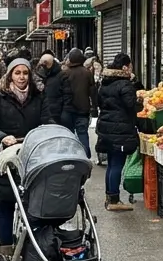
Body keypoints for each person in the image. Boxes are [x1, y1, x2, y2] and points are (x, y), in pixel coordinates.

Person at [0, 58, 52, 258]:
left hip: (33, 157)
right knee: (6, 204)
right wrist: (2, 137)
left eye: (25, 73)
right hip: (6, 159)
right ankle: (6, 249)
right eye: (17, 73)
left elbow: (47, 120)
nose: (22, 77)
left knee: (33, 203)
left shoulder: (38, 96)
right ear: (10, 75)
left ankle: (32, 245)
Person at [95, 53, 139, 212]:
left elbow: (99, 102)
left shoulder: (105, 83)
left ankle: (110, 197)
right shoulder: (125, 84)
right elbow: (131, 105)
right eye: (131, 66)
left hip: (107, 128)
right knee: (117, 164)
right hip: (119, 129)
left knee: (112, 163)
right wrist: (138, 98)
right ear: (125, 67)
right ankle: (114, 199)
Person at [55, 48, 97, 156]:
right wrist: (95, 107)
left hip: (67, 110)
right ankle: (86, 154)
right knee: (82, 133)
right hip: (83, 110)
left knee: (69, 134)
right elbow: (93, 91)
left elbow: (59, 93)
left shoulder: (64, 73)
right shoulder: (87, 73)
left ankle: (70, 155)